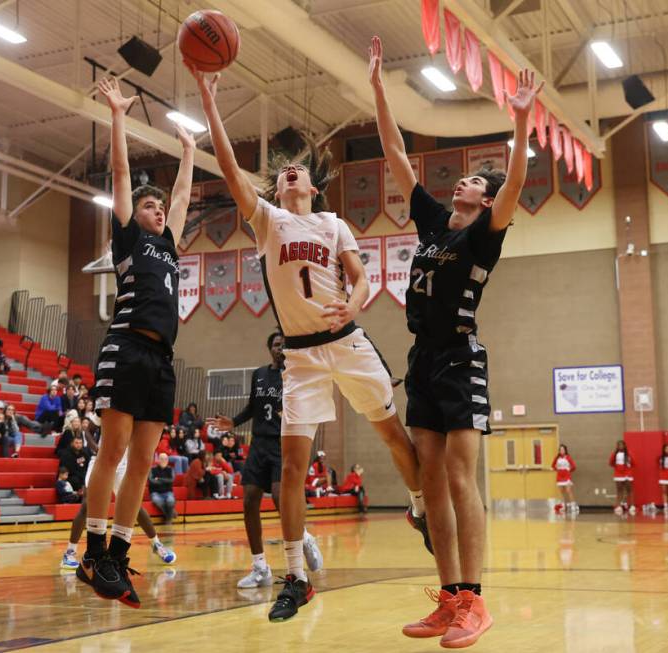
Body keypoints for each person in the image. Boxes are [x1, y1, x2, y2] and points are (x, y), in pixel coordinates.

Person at [192, 56, 427, 624]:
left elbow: (364, 273)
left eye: (298, 172)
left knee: (395, 438)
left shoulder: (333, 223)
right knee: (290, 469)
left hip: (346, 340)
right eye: (282, 173)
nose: (288, 175)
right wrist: (208, 100)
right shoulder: (268, 220)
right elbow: (228, 168)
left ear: (315, 186)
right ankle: (296, 576)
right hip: (299, 358)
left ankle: (420, 508)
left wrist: (359, 296)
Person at [369, 39, 546, 644]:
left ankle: (475, 599)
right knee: (433, 481)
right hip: (422, 358)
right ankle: (448, 597)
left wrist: (520, 122)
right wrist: (376, 89)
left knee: (464, 479)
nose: (460, 182)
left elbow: (517, 179)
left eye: (472, 179)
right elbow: (396, 156)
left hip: (460, 356)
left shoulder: (485, 235)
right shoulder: (433, 225)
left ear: (486, 200)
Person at [73, 77, 193, 609]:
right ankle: (92, 552)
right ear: (135, 215)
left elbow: (185, 193)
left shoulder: (169, 244)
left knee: (142, 462)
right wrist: (118, 116)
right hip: (126, 344)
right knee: (114, 451)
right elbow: (121, 173)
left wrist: (190, 150)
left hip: (162, 358)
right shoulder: (128, 237)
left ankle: (117, 556)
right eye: (150, 207)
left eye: (160, 208)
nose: (158, 211)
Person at [208, 331, 325, 589]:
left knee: (279, 496)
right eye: (275, 344)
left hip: (283, 443)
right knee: (249, 499)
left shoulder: (295, 374)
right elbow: (253, 407)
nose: (279, 348)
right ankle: (260, 567)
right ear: (269, 348)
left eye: (284, 344)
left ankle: (304, 537)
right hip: (258, 444)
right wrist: (233, 422)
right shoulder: (259, 374)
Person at [59, 419, 178, 575]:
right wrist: (95, 447)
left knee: (134, 506)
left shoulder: (139, 412)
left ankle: (157, 544)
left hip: (123, 463)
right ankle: (69, 552)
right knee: (88, 505)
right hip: (102, 460)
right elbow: (87, 429)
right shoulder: (111, 404)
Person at [148, 453, 176, 522]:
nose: (163, 460)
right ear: (158, 460)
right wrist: (165, 480)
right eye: (161, 459)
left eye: (165, 459)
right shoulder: (152, 469)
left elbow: (171, 480)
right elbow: (152, 481)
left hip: (168, 492)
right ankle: (170, 514)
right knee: (157, 500)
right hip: (155, 493)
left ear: (167, 460)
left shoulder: (170, 469)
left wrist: (159, 479)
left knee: (171, 501)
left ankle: (168, 515)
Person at [609, 440, 635, 515]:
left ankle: (632, 505)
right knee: (619, 490)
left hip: (627, 474)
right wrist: (617, 468)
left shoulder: (629, 454)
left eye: (622, 445)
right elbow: (611, 463)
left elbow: (634, 463)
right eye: (619, 445)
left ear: (624, 446)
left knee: (629, 490)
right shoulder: (614, 454)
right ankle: (619, 506)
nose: (620, 446)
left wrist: (628, 469)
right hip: (618, 474)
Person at [552, 445, 578, 515]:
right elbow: (553, 465)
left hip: (566, 476)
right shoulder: (557, 458)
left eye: (563, 449)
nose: (561, 451)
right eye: (560, 450)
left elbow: (574, 466)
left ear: (565, 450)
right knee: (562, 492)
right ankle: (564, 505)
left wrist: (569, 470)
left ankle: (573, 505)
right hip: (559, 477)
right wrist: (557, 469)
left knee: (568, 491)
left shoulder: (568, 457)